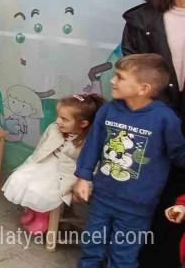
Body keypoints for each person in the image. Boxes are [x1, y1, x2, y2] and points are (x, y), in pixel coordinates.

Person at [74, 54, 185, 268]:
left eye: (119, 77)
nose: (112, 81)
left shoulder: (165, 119)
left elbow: (179, 155)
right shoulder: (108, 110)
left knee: (123, 256)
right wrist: (83, 176)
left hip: (138, 207)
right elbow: (93, 145)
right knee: (91, 248)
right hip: (102, 198)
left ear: (142, 88)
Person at [125, 0, 185, 267]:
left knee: (179, 195)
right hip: (153, 117)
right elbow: (133, 74)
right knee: (146, 189)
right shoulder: (142, 19)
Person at [2, 94, 104, 233]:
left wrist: (84, 187)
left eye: (64, 119)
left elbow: (92, 167)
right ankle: (33, 210)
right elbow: (41, 147)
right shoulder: (53, 128)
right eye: (58, 116)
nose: (58, 121)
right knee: (22, 178)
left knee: (43, 189)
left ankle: (43, 216)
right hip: (47, 162)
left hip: (66, 174)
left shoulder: (88, 141)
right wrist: (30, 163)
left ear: (83, 124)